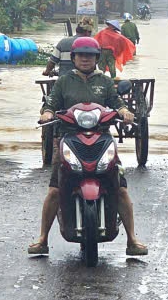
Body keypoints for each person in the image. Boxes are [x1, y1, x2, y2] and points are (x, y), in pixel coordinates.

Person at [29, 36, 147, 257]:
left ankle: (132, 239)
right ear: (73, 58)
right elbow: (51, 103)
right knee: (55, 190)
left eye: (90, 56)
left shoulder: (103, 81)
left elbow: (117, 103)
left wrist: (124, 112)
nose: (85, 59)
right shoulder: (64, 81)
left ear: (96, 58)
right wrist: (46, 113)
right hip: (69, 138)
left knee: (120, 189)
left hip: (101, 138)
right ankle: (43, 239)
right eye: (81, 55)